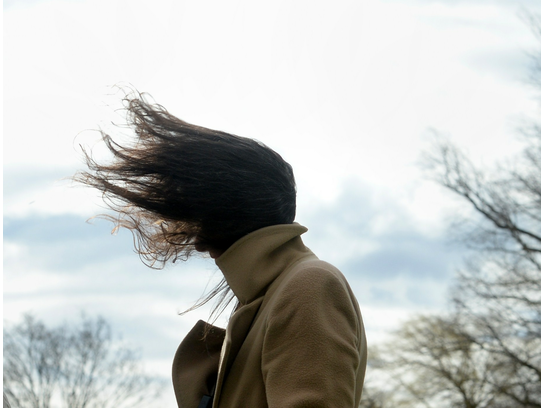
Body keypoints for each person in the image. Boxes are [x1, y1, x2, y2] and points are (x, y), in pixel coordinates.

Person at [76, 93, 367, 408]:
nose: (186, 227)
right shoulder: (268, 296)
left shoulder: (308, 286)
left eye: (189, 207)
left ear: (217, 211)